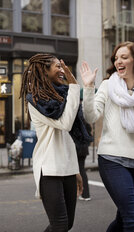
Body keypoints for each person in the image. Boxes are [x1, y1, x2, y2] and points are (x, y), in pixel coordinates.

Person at [80, 41, 134, 231]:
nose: (118, 61)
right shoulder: (107, 85)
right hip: (112, 159)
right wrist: (88, 88)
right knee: (133, 219)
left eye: (124, 57)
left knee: (123, 219)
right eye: (116, 58)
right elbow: (90, 115)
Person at [20, 53, 87, 232]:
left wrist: (76, 170)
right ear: (44, 70)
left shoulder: (61, 97)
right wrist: (74, 85)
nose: (62, 69)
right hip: (49, 169)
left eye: (62, 66)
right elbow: (65, 123)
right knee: (60, 225)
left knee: (68, 224)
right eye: (57, 66)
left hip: (67, 167)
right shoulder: (36, 100)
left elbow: (67, 138)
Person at [76, 119, 92, 201]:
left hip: (77, 150)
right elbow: (90, 135)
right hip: (84, 150)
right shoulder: (85, 122)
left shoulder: (75, 123)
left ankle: (84, 193)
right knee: (81, 170)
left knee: (79, 171)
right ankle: (85, 193)